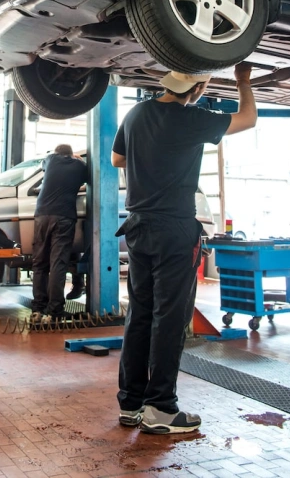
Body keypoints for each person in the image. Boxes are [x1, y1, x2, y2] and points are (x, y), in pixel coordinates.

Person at [111, 64, 257, 435]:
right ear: (197, 88)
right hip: (174, 231)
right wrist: (243, 81)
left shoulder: (136, 113)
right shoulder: (193, 119)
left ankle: (131, 404)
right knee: (169, 318)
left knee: (140, 314)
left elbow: (117, 159)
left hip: (138, 228)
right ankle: (160, 408)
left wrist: (149, 159)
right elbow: (248, 119)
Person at [30, 144, 88, 322]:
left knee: (39, 263)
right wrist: (78, 159)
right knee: (58, 263)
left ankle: (38, 309)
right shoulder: (80, 166)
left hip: (42, 216)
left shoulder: (50, 160)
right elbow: (88, 180)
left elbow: (44, 164)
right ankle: (54, 311)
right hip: (63, 217)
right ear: (71, 155)